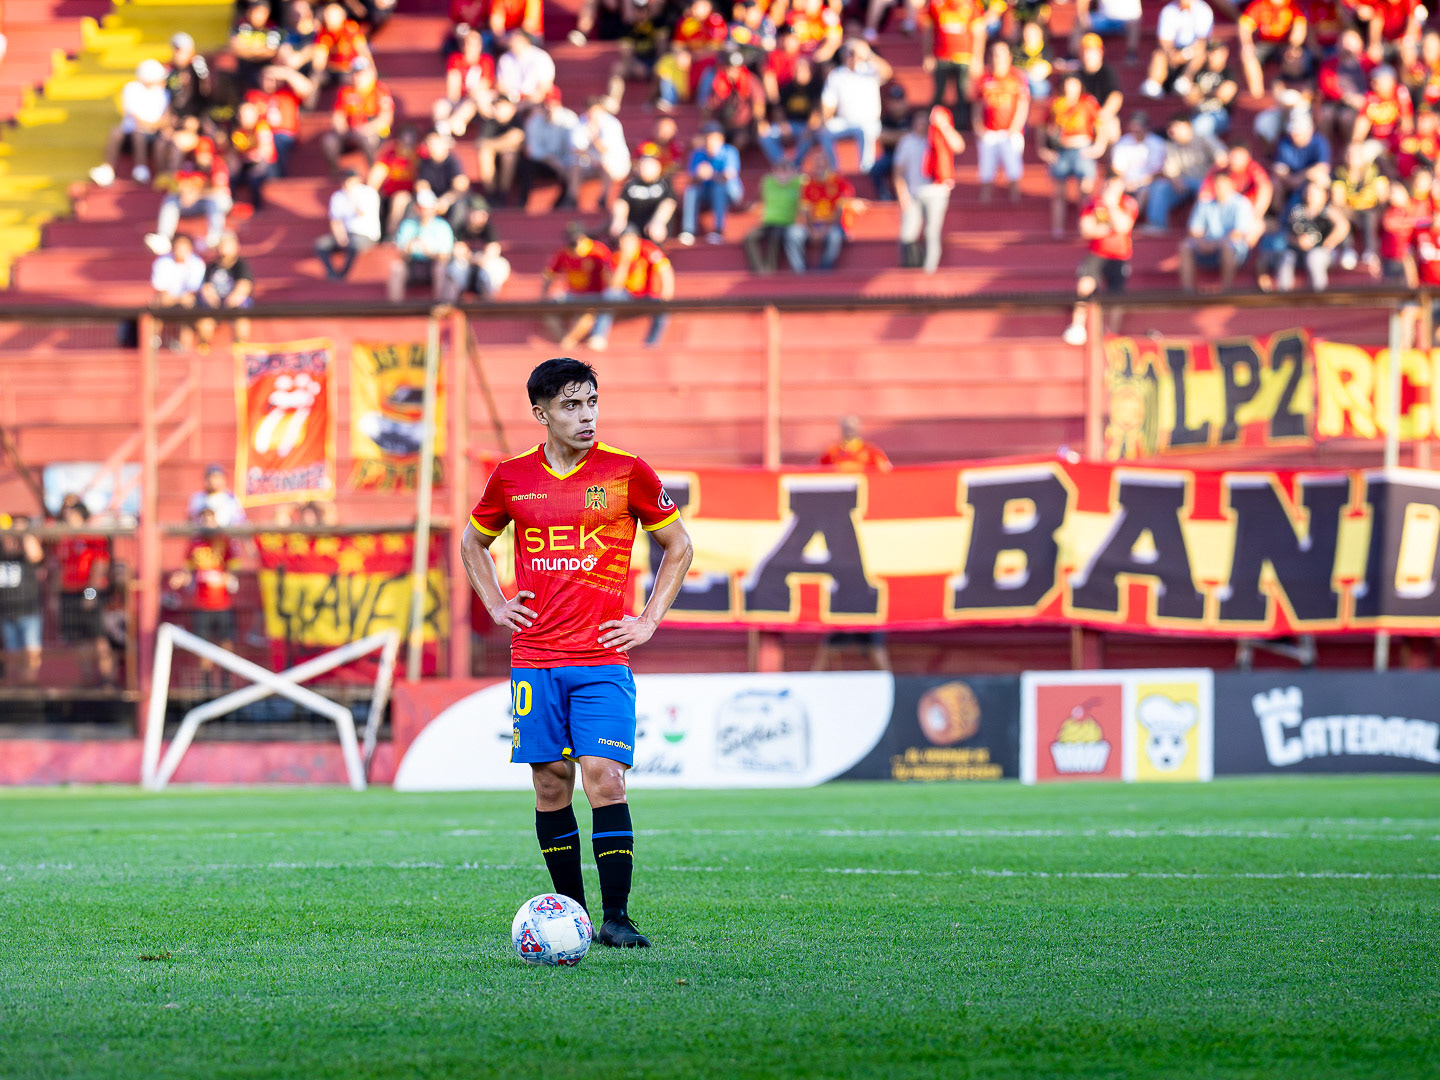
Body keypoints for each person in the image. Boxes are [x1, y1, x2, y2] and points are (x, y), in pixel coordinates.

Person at [461, 356, 694, 949]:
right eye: (570, 405)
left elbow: (679, 545)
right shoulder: (510, 477)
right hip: (534, 658)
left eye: (591, 402)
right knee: (551, 784)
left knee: (605, 779)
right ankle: (574, 915)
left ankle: (616, 917)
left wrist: (647, 620)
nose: (586, 415)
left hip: (600, 659)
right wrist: (495, 604)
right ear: (541, 413)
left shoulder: (627, 472)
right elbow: (472, 543)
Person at [1063, 168, 1137, 346]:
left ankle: (1111, 332)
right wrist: (1105, 228)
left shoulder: (1128, 203)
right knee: (1085, 283)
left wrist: (1110, 208)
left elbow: (1123, 227)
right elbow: (1086, 230)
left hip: (1119, 255)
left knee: (1117, 294)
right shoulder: (1093, 203)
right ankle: (1078, 326)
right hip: (1097, 253)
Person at [169, 507, 241, 682]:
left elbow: (235, 571)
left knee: (226, 643)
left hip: (223, 603)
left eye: (211, 519)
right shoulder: (195, 544)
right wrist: (181, 578)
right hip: (201, 603)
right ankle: (206, 682)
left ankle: (226, 680)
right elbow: (187, 571)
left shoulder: (225, 541)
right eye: (204, 519)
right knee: (203, 645)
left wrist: (224, 578)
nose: (207, 523)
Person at [896, 106, 963, 273]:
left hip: (937, 191)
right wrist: (901, 194)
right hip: (913, 193)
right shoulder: (907, 141)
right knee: (907, 234)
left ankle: (929, 271)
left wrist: (944, 126)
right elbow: (898, 171)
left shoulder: (938, 137)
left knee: (931, 232)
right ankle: (913, 268)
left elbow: (959, 146)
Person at [1040, 73, 1108, 239]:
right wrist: (1044, 148)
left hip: (1082, 148)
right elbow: (1043, 126)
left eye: (1074, 85)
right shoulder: (1056, 103)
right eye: (1068, 85)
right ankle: (1058, 230)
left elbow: (1100, 125)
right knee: (1058, 193)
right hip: (1062, 149)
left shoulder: (1087, 102)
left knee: (1085, 191)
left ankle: (1085, 227)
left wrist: (1099, 147)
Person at [56, 500, 115, 686]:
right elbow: (59, 566)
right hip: (69, 593)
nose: (67, 517)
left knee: (98, 637)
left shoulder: (92, 536)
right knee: (78, 639)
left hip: (88, 592)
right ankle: (87, 679)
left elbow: (99, 565)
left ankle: (107, 680)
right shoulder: (64, 538)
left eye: (71, 514)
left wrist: (90, 594)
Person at [586, 230, 675, 350]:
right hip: (628, 296)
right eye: (622, 241)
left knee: (662, 310)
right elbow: (615, 286)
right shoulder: (618, 255)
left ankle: (652, 343)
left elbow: (665, 270)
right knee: (609, 296)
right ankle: (598, 337)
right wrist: (625, 261)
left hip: (650, 295)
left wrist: (667, 295)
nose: (625, 244)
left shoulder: (648, 248)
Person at [1257, 179, 1351, 292]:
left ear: (1324, 195)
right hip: (1298, 252)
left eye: (1314, 192)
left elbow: (1343, 226)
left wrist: (1329, 241)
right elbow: (1285, 232)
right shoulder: (1296, 211)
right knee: (1286, 257)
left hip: (1323, 252)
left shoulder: (1328, 210)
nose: (1310, 195)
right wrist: (1298, 242)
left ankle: (1320, 296)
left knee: (1314, 257)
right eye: (1308, 192)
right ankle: (1283, 295)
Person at [145, 132, 231, 255]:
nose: (202, 157)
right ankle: (164, 237)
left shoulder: (218, 164)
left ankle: (215, 237)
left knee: (215, 202)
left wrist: (197, 194)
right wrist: (185, 192)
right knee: (171, 199)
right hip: (193, 203)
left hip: (217, 202)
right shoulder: (189, 165)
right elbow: (177, 183)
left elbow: (220, 190)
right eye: (200, 154)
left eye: (205, 154)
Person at [90, 59, 170, 186]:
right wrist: (152, 126)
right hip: (134, 133)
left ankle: (141, 168)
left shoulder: (164, 93)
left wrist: (153, 126)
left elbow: (165, 119)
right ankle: (107, 169)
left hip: (152, 135)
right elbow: (134, 118)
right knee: (117, 132)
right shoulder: (132, 89)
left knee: (138, 133)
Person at [818, 41, 892, 173]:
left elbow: (887, 72)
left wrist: (867, 53)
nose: (851, 56)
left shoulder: (870, 70)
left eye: (854, 52)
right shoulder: (836, 75)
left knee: (865, 130)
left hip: (869, 122)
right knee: (826, 131)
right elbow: (828, 103)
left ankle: (866, 170)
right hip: (845, 122)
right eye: (848, 52)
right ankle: (834, 170)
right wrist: (825, 120)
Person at [972, 40, 1029, 204]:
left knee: (1014, 171)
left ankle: (1015, 204)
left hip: (1010, 132)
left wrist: (1015, 127)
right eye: (995, 54)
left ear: (1009, 57)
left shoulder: (1017, 77)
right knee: (986, 172)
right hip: (989, 132)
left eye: (1001, 54)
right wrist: (977, 125)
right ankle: (984, 207)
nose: (998, 58)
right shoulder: (984, 79)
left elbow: (1023, 104)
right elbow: (977, 104)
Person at [1142, 116, 1222, 232]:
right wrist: (1176, 181)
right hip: (1184, 182)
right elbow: (1171, 171)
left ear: (1188, 127)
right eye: (1170, 127)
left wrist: (1212, 177)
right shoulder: (1170, 146)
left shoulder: (1204, 139)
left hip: (1206, 181)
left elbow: (1221, 158)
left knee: (1206, 191)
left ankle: (1201, 229)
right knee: (1159, 187)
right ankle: (1157, 225)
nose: (1172, 130)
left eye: (1177, 126)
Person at [1180, 169, 1254, 290]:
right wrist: (1201, 242)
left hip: (1234, 249)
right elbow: (1195, 230)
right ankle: (1188, 292)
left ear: (1231, 185)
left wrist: (1215, 244)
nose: (1219, 188)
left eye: (1223, 185)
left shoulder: (1241, 203)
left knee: (1227, 247)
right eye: (1217, 185)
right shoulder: (1205, 203)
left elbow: (1239, 233)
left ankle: (1226, 291)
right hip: (1209, 245)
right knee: (1186, 246)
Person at [921, 0, 988, 130]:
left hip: (964, 57)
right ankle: (935, 124)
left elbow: (979, 33)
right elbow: (928, 30)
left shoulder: (972, 4)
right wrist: (927, 55)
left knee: (962, 93)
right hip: (941, 56)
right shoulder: (936, 4)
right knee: (939, 93)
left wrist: (977, 59)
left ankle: (961, 127)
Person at [542, 224, 613, 346]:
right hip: (571, 294)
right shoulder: (564, 252)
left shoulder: (598, 251)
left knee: (587, 316)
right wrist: (544, 293)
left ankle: (567, 343)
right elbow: (549, 274)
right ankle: (565, 341)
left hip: (594, 295)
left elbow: (609, 275)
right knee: (546, 313)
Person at [790, 156, 859, 272]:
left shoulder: (839, 182)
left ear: (829, 166)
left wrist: (825, 229)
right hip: (813, 224)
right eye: (817, 166)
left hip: (832, 224)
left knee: (835, 236)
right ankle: (800, 271)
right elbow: (805, 211)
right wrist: (812, 230)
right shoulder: (808, 184)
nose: (820, 169)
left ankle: (824, 269)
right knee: (793, 234)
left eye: (823, 165)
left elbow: (839, 211)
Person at [323, 58, 393, 171]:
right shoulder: (345, 91)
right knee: (329, 141)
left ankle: (372, 171)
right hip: (351, 132)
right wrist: (342, 130)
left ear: (370, 73)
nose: (358, 77)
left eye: (361, 73)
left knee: (367, 139)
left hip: (373, 132)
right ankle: (336, 173)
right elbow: (338, 115)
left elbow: (386, 118)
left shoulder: (379, 90)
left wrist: (366, 129)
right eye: (355, 73)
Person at [680, 122, 742, 244]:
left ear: (721, 139)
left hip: (730, 192)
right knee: (691, 191)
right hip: (706, 193)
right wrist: (699, 175)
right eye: (707, 137)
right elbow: (692, 178)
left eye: (713, 137)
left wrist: (711, 174)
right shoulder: (698, 154)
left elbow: (729, 175)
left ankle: (718, 230)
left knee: (718, 187)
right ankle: (688, 231)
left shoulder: (730, 151)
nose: (709, 141)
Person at [387, 189, 455, 300]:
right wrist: (409, 247)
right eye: (421, 208)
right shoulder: (408, 225)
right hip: (412, 265)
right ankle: (395, 307)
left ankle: (437, 305)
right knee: (397, 268)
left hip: (432, 265)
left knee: (440, 268)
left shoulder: (442, 226)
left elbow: (445, 256)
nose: (424, 211)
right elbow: (400, 253)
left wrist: (428, 251)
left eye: (427, 208)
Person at [0, 514, 44, 685]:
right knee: (13, 655)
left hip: (29, 612)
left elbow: (36, 555)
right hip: (6, 613)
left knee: (31, 653)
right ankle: (17, 689)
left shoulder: (25, 554)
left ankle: (30, 686)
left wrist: (23, 532)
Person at [566, 98, 631, 210]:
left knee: (604, 164)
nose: (592, 115)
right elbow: (576, 148)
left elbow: (605, 149)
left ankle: (604, 197)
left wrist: (594, 136)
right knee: (575, 166)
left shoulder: (611, 124)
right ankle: (571, 198)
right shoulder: (582, 122)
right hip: (591, 161)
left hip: (615, 163)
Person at [317, 169, 382, 280]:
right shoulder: (338, 196)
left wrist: (352, 198)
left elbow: (362, 212)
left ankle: (344, 274)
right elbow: (335, 220)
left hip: (366, 234)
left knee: (353, 245)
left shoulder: (369, 193)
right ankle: (332, 273)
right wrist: (340, 236)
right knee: (321, 244)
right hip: (346, 233)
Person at [519, 88, 579, 207]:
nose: (549, 108)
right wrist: (552, 161)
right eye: (546, 104)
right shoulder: (535, 121)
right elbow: (533, 150)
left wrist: (562, 164)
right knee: (525, 164)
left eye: (553, 104)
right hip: (544, 163)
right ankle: (523, 201)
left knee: (574, 166)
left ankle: (566, 200)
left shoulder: (569, 119)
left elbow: (574, 147)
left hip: (564, 161)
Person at [443, 194, 511, 299]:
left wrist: (473, 257)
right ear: (469, 212)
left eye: (483, 213)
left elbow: (492, 252)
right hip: (467, 267)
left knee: (492, 271)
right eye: (477, 213)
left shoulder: (489, 229)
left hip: (483, 265)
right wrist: (474, 258)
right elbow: (458, 251)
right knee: (454, 269)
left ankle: (489, 307)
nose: (481, 216)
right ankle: (449, 307)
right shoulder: (461, 228)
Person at [1144, 0, 1214, 100]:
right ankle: (1154, 84)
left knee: (1200, 54)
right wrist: (1171, 53)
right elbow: (1164, 41)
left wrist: (1184, 54)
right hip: (1173, 51)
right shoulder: (1168, 10)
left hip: (1193, 51)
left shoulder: (1204, 10)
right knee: (1158, 54)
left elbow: (1202, 42)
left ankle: (1185, 80)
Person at [196, 231, 255, 350]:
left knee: (241, 320)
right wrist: (213, 301)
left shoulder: (241, 265)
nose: (223, 248)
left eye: (227, 244)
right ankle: (204, 347)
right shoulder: (211, 266)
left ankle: (239, 347)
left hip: (235, 304)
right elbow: (206, 287)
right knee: (204, 322)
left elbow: (244, 286)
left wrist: (231, 302)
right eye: (222, 244)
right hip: (214, 304)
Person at [1237, 0, 1308, 99]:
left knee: (1296, 55)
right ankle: (1257, 96)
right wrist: (1246, 44)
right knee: (1247, 55)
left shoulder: (1293, 4)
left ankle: (1295, 91)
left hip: (1285, 44)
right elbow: (1244, 25)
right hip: (1264, 44)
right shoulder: (1259, 4)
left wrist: (1294, 45)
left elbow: (1300, 26)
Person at [745, 158, 805, 272]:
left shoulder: (798, 183)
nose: (782, 174)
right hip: (768, 222)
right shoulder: (768, 182)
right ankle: (760, 270)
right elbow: (760, 196)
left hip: (786, 223)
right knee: (750, 238)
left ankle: (770, 268)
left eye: (785, 170)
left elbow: (805, 181)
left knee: (775, 237)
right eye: (779, 170)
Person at [609, 146, 677, 243]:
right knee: (625, 234)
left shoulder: (664, 184)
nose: (644, 167)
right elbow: (621, 203)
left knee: (656, 232)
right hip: (633, 228)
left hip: (654, 228)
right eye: (642, 164)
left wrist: (658, 222)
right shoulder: (631, 184)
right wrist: (619, 221)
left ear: (658, 166)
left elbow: (669, 204)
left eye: (648, 164)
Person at [1110, 111, 1166, 211]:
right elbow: (1117, 169)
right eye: (1133, 128)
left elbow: (1158, 172)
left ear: (1146, 127)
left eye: (1138, 128)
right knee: (1113, 187)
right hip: (1126, 181)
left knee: (1146, 190)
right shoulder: (1123, 142)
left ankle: (1132, 219)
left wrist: (1139, 182)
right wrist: (1125, 182)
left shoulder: (1157, 144)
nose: (1135, 131)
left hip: (1148, 182)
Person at [1185, 40, 1238, 140]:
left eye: (1216, 52)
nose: (1212, 56)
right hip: (1198, 112)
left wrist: (1200, 93)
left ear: (1224, 53)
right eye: (1210, 52)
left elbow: (1224, 95)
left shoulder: (1228, 73)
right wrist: (1212, 92)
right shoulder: (1200, 72)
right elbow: (1189, 99)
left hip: (1219, 114)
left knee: (1199, 127)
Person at [496, 29, 555, 104]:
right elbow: (501, 84)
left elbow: (545, 86)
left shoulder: (541, 57)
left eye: (516, 40)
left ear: (526, 41)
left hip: (533, 101)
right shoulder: (505, 58)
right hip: (510, 101)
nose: (512, 43)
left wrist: (528, 98)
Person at [151, 232, 206, 309]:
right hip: (167, 298)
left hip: (189, 299)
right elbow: (159, 286)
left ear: (190, 248)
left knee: (191, 302)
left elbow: (195, 288)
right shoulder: (162, 261)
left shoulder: (197, 263)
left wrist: (182, 299)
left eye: (183, 248)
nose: (180, 250)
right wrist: (168, 297)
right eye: (178, 247)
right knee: (156, 304)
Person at [1073, 0, 1141, 61]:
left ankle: (1131, 54)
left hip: (1125, 21)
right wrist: (1083, 16)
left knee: (1133, 22)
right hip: (1103, 19)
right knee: (1079, 22)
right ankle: (1073, 56)